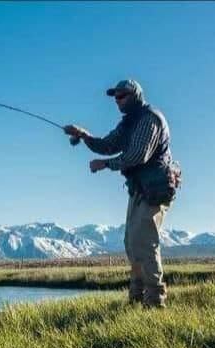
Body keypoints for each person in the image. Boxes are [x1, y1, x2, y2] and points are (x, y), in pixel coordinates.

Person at [64, 79, 181, 308]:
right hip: (139, 188)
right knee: (131, 242)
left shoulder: (150, 119)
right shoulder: (128, 123)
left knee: (145, 243)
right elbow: (107, 145)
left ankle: (155, 301)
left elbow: (138, 155)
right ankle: (136, 299)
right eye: (115, 97)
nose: (117, 101)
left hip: (156, 189)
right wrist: (84, 135)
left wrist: (105, 165)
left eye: (122, 96)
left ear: (135, 96)